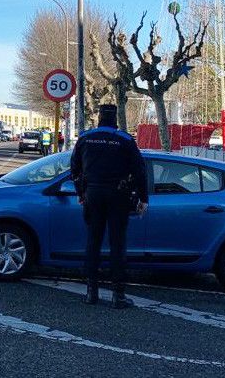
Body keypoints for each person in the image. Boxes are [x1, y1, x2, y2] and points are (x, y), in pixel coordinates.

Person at [70, 104, 148, 309]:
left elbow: (74, 169)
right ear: (115, 119)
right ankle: (118, 295)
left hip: (93, 194)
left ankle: (91, 292)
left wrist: (81, 193)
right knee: (117, 244)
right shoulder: (124, 139)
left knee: (93, 242)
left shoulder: (86, 138)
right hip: (118, 195)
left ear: (98, 117)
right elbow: (140, 170)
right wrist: (143, 198)